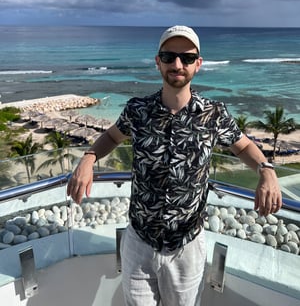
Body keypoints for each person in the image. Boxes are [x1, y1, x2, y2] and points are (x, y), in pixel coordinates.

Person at [67, 25, 282, 306]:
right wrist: (88, 158)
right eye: (169, 57)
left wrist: (266, 170)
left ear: (199, 64)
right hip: (139, 242)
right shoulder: (137, 110)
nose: (177, 65)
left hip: (187, 246)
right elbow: (111, 136)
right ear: (158, 62)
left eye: (187, 58)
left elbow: (242, 145)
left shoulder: (214, 114)